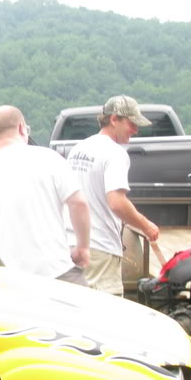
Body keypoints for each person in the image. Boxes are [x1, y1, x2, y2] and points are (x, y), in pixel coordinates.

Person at [0, 105, 91, 285]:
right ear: (22, 128)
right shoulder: (49, 159)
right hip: (57, 274)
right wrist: (83, 247)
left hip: (7, 282)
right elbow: (79, 204)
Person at [66, 95, 160, 296]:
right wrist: (146, 225)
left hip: (71, 244)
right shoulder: (114, 153)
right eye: (131, 124)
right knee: (106, 316)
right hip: (100, 248)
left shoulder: (77, 149)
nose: (135, 130)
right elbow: (117, 203)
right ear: (114, 119)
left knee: (76, 311)